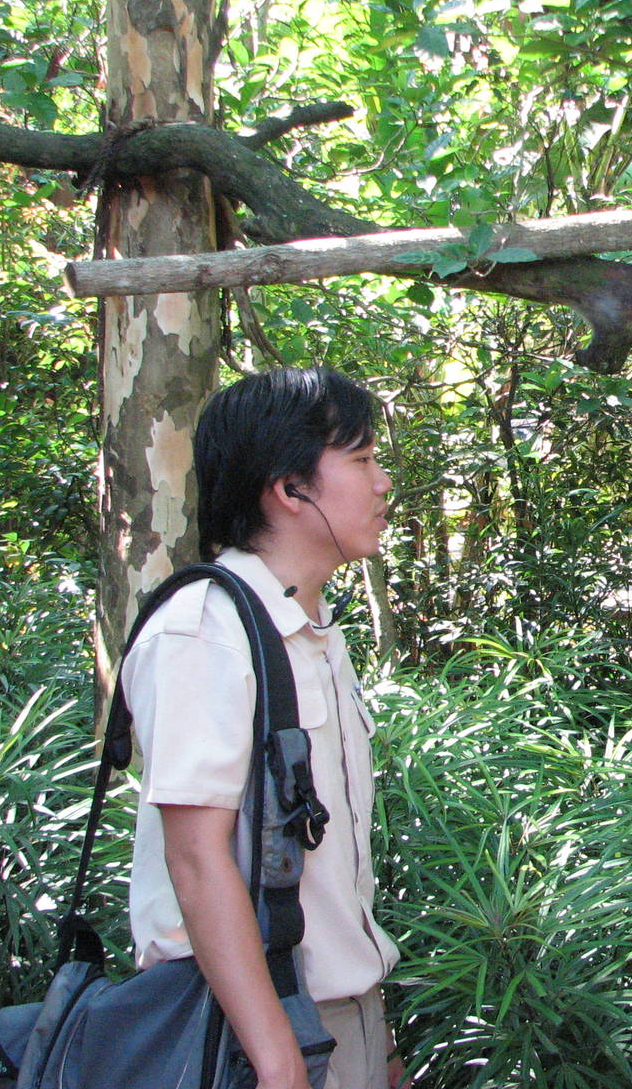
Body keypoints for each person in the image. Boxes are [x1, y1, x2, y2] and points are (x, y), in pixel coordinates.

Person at [121, 366, 405, 1089]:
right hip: (249, 1036)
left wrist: (377, 1041)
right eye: (363, 459)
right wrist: (280, 1063)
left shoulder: (308, 631)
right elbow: (194, 858)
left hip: (338, 1020)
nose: (382, 483)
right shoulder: (206, 632)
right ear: (290, 489)